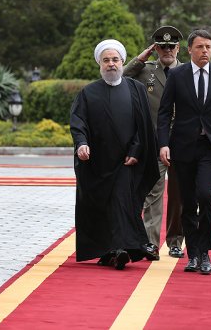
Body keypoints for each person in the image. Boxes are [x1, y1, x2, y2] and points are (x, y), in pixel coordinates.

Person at [70, 39, 160, 270]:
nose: (111, 64)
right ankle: (111, 250)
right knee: (105, 206)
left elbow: (143, 125)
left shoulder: (136, 89)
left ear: (122, 62)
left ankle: (121, 248)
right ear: (100, 64)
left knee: (121, 201)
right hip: (98, 163)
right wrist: (81, 144)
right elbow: (78, 123)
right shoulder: (88, 93)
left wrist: (136, 150)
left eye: (115, 60)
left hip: (126, 161)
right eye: (106, 60)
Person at [157, 29, 211, 275]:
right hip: (182, 147)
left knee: (206, 195)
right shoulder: (177, 75)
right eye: (200, 47)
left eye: (208, 47)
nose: (205, 51)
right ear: (189, 49)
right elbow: (164, 112)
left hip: (210, 147)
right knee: (188, 202)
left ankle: (204, 251)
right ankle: (194, 254)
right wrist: (163, 144)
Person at [123, 25, 186, 259]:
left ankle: (175, 241)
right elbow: (121, 78)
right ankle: (150, 242)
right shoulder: (146, 70)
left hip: (181, 142)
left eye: (171, 46)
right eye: (162, 47)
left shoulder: (188, 71)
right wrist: (140, 59)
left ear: (178, 48)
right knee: (152, 193)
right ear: (155, 49)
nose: (167, 50)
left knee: (179, 195)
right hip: (154, 142)